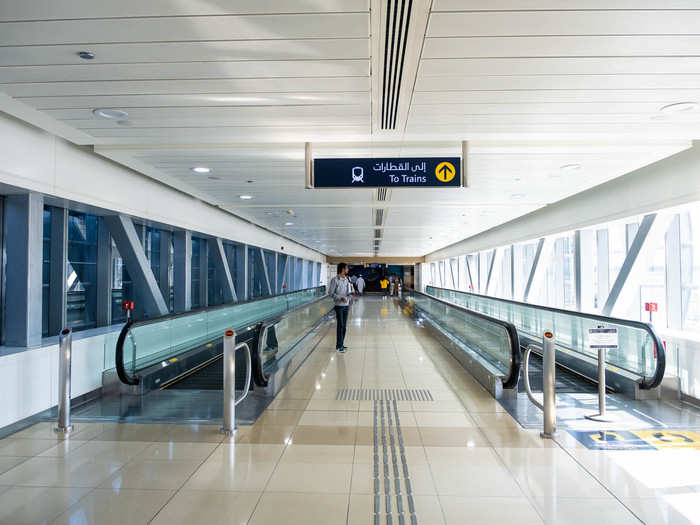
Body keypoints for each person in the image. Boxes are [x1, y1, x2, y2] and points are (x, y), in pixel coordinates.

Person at [328, 262, 354, 352]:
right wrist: (340, 298)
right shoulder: (334, 280)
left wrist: (350, 295)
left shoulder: (347, 279)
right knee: (340, 325)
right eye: (347, 268)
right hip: (339, 306)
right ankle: (339, 346)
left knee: (344, 326)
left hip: (346, 305)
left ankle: (341, 344)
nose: (348, 270)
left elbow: (349, 291)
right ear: (342, 269)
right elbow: (331, 293)